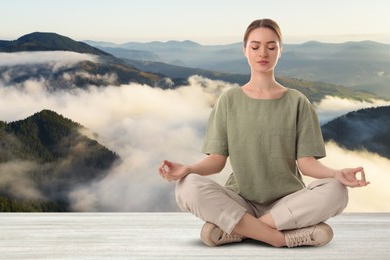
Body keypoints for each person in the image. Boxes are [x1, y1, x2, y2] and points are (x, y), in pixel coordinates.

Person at [158, 18, 370, 248]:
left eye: (271, 47)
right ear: (245, 50)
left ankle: (240, 229)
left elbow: (307, 164)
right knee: (187, 187)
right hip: (240, 201)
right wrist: (187, 169)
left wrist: (337, 173)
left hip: (288, 203)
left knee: (336, 191)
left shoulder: (298, 102)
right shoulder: (228, 101)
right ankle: (279, 237)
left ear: (280, 51)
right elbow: (216, 162)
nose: (263, 53)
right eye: (255, 46)